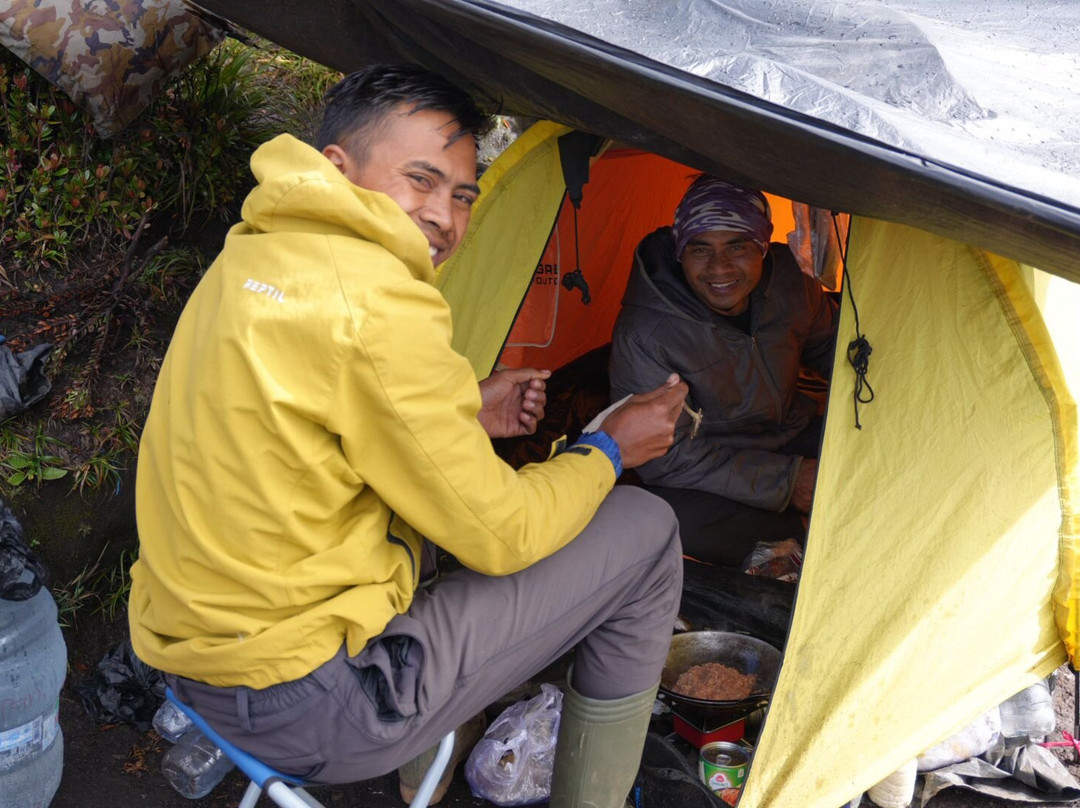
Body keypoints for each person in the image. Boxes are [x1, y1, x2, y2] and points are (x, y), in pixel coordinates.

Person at [128, 65, 690, 808]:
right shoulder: (376, 301)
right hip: (313, 703)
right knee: (645, 530)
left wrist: (462, 404)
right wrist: (608, 446)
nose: (445, 218)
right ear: (339, 167)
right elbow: (506, 533)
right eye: (420, 180)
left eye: (462, 195)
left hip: (191, 653)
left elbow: (323, 399)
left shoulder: (254, 252)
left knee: (439, 519)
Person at [609, 175, 838, 569]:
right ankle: (794, 546)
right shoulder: (646, 331)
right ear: (681, 253)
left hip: (790, 434)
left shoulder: (792, 284)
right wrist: (787, 482)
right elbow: (666, 457)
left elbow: (839, 352)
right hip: (712, 462)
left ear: (763, 249)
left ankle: (793, 535)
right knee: (658, 518)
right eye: (701, 249)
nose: (719, 268)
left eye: (738, 247)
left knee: (882, 448)